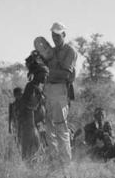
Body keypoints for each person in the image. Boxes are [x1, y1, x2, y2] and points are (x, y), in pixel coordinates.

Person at [44, 22, 77, 166]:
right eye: (53, 35)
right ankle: (54, 162)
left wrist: (47, 73)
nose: (55, 37)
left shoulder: (70, 51)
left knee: (61, 128)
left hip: (60, 90)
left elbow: (65, 74)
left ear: (64, 34)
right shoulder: (50, 51)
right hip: (48, 90)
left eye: (58, 35)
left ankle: (65, 164)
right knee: (49, 129)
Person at [19, 51, 48, 161]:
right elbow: (29, 110)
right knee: (31, 154)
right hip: (30, 126)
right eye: (44, 75)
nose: (46, 77)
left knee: (36, 155)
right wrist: (32, 130)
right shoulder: (31, 88)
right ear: (38, 74)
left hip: (36, 126)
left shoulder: (38, 88)